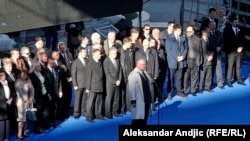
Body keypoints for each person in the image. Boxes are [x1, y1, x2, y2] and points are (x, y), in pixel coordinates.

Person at [127, 59, 153, 126]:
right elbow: (132, 88)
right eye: (142, 64)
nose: (144, 66)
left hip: (146, 99)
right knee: (137, 119)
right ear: (138, 65)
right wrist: (133, 100)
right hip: (139, 101)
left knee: (145, 117)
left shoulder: (145, 73)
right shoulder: (133, 75)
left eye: (145, 64)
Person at [165, 24, 188, 100]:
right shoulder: (169, 37)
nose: (180, 31)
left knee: (179, 77)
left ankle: (179, 92)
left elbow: (186, 48)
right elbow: (169, 50)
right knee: (171, 78)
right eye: (179, 30)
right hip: (172, 61)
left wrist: (183, 56)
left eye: (181, 30)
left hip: (181, 61)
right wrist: (176, 57)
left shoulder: (183, 37)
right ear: (175, 30)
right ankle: (169, 93)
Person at [223, 16, 246, 87]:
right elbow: (227, 41)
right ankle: (228, 80)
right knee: (230, 66)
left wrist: (241, 47)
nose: (237, 23)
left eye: (237, 22)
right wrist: (236, 48)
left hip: (240, 51)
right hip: (231, 51)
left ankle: (239, 79)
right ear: (231, 22)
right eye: (235, 22)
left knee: (238, 66)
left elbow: (243, 39)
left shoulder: (240, 29)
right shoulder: (227, 29)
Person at [85, 49, 105, 123]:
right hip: (93, 86)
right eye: (99, 54)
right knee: (90, 102)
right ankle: (89, 116)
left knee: (99, 101)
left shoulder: (99, 62)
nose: (100, 55)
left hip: (100, 85)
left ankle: (98, 114)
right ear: (95, 55)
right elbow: (88, 76)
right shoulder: (90, 63)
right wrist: (88, 87)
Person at [103, 47, 122, 119]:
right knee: (109, 99)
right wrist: (115, 81)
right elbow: (107, 74)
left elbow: (120, 70)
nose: (116, 54)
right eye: (114, 53)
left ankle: (115, 111)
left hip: (118, 82)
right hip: (110, 83)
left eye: (116, 53)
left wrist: (119, 80)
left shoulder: (117, 60)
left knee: (116, 98)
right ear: (110, 53)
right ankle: (108, 113)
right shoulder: (106, 61)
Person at [15, 70, 34, 139]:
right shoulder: (18, 81)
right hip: (21, 103)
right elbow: (19, 92)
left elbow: (32, 90)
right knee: (21, 119)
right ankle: (19, 134)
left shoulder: (29, 81)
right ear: (20, 75)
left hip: (29, 101)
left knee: (27, 118)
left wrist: (31, 98)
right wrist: (26, 99)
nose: (24, 76)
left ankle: (24, 132)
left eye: (25, 75)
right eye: (23, 75)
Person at [183, 25, 202, 96]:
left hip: (195, 60)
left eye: (190, 31)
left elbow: (200, 51)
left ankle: (193, 90)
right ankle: (186, 90)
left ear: (193, 32)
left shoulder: (197, 39)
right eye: (187, 31)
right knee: (186, 76)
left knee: (194, 76)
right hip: (187, 60)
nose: (188, 33)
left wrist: (199, 60)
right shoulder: (184, 38)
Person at [71, 47, 89, 119]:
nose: (85, 53)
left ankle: (83, 111)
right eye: (84, 52)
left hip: (86, 83)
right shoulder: (75, 62)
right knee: (78, 99)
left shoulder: (87, 61)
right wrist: (75, 84)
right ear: (80, 53)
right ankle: (76, 112)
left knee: (84, 98)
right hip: (79, 84)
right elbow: (73, 74)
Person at [208, 21, 224, 89]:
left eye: (215, 25)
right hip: (210, 54)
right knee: (210, 69)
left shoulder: (218, 32)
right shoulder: (207, 33)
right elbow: (207, 44)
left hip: (218, 54)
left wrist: (220, 47)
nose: (214, 26)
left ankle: (220, 83)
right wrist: (215, 48)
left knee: (219, 69)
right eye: (212, 25)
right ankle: (209, 82)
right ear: (209, 25)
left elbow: (223, 42)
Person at [198, 28, 214, 94]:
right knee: (202, 75)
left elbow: (212, 49)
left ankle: (207, 87)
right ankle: (200, 88)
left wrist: (211, 56)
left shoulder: (210, 40)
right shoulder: (200, 40)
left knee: (209, 75)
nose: (209, 33)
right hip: (203, 61)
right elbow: (199, 51)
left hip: (210, 60)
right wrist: (207, 57)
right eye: (208, 32)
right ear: (204, 33)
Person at [0, 69, 12, 141]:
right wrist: (5, 101)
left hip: (9, 103)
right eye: (0, 75)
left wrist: (11, 99)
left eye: (3, 75)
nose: (2, 77)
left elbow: (13, 92)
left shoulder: (9, 83)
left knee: (7, 119)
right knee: (1, 120)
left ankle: (7, 136)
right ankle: (1, 137)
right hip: (1, 105)